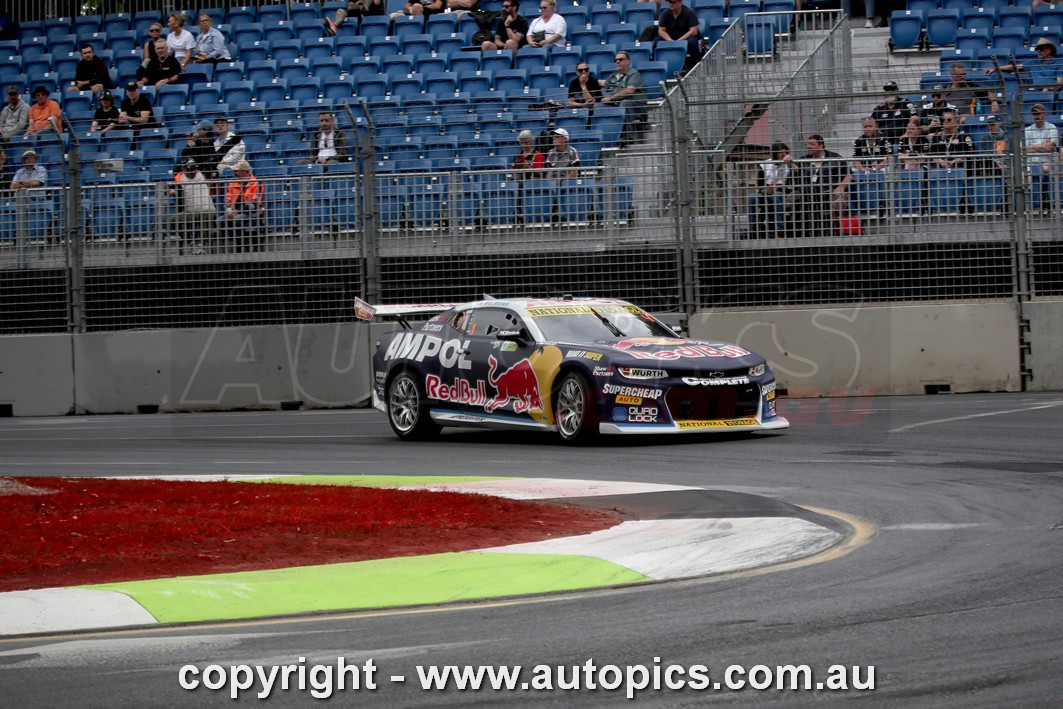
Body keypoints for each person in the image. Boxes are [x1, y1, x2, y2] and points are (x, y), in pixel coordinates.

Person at [790, 134, 850, 238]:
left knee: (837, 202)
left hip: (829, 192)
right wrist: (790, 163)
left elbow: (849, 174)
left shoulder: (834, 158)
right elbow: (797, 172)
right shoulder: (804, 159)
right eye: (808, 144)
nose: (809, 146)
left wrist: (841, 187)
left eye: (812, 144)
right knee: (789, 200)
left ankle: (830, 232)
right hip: (807, 193)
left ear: (821, 145)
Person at [170, 158, 216, 254]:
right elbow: (169, 190)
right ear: (183, 170)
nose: (193, 171)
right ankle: (191, 241)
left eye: (194, 168)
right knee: (174, 219)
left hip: (207, 209)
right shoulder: (178, 179)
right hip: (190, 211)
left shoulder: (203, 173)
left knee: (208, 215)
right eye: (190, 169)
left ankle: (201, 244)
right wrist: (172, 192)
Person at [602, 50, 648, 145]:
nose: (617, 62)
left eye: (621, 59)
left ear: (628, 61)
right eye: (616, 60)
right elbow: (604, 83)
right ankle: (606, 138)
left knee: (625, 104)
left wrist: (611, 98)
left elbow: (629, 91)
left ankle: (628, 137)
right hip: (617, 104)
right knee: (599, 106)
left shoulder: (634, 73)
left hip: (636, 106)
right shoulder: (614, 76)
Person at [749, 142, 791, 239]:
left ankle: (780, 229)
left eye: (786, 153)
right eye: (781, 153)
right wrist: (764, 190)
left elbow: (792, 182)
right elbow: (759, 184)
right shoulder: (765, 165)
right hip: (766, 192)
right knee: (752, 198)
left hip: (782, 192)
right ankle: (753, 229)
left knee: (777, 196)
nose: (784, 155)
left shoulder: (789, 165)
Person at [986, 38, 1063, 90]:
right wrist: (997, 68)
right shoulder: (1033, 63)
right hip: (1036, 93)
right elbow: (1015, 67)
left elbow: (1060, 83)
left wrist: (1048, 89)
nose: (1038, 51)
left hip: (1052, 94)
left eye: (1041, 49)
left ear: (1049, 50)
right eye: (1037, 49)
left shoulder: (1059, 63)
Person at [222, 160, 264, 252]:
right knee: (219, 221)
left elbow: (254, 203)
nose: (234, 173)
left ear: (245, 171)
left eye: (236, 171)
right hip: (234, 212)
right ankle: (225, 250)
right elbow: (227, 199)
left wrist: (238, 211)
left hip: (250, 213)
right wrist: (229, 210)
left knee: (238, 218)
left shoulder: (256, 183)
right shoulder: (233, 183)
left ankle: (239, 249)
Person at [1025, 103, 1058, 209]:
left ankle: (1045, 201)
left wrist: (1033, 146)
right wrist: (1043, 146)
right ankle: (1029, 205)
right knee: (1023, 173)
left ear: (1044, 114)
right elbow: (1025, 150)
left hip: (1047, 161)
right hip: (1030, 162)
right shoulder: (1027, 130)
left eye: (1038, 113)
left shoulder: (1051, 128)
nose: (1036, 116)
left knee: (1045, 169)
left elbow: (1050, 148)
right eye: (1034, 114)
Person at [657, 0, 701, 72]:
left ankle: (695, 65)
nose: (671, 4)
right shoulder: (665, 13)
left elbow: (693, 31)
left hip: (686, 37)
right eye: (669, 2)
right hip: (671, 37)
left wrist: (679, 41)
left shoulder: (689, 12)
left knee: (692, 42)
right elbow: (661, 30)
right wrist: (670, 41)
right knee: (657, 42)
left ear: (680, 2)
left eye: (673, 2)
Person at [871, 81, 915, 145]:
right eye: (887, 90)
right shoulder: (879, 108)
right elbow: (871, 123)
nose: (889, 92)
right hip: (883, 141)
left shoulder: (905, 103)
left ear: (897, 91)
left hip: (901, 140)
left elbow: (915, 118)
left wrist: (907, 133)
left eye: (892, 90)